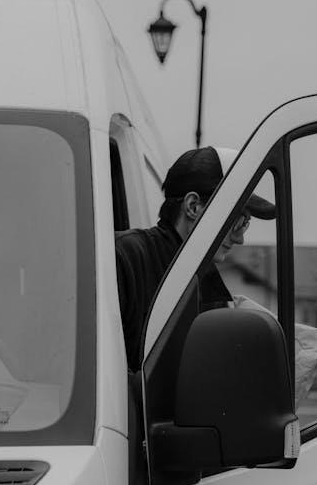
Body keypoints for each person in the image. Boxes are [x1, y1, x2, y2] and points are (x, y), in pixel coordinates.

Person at [115, 146, 275, 372]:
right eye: (237, 221)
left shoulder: (211, 293)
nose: (240, 238)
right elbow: (98, 372)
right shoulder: (123, 258)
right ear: (193, 207)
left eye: (245, 225)